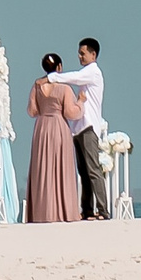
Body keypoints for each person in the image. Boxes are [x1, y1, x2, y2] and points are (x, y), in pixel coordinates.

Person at [47, 38, 108, 219]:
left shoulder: (93, 72)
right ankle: (87, 209)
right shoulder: (86, 73)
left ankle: (103, 210)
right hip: (79, 127)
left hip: (88, 126)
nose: (80, 56)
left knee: (93, 170)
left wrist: (51, 77)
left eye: (83, 53)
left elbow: (73, 77)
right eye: (79, 53)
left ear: (93, 54)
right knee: (84, 171)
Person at [24, 54, 83, 223]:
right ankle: (63, 211)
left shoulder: (36, 85)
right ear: (59, 68)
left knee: (42, 167)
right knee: (61, 167)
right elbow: (71, 113)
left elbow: (32, 111)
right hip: (58, 127)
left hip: (42, 127)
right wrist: (81, 103)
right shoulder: (64, 88)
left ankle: (42, 211)